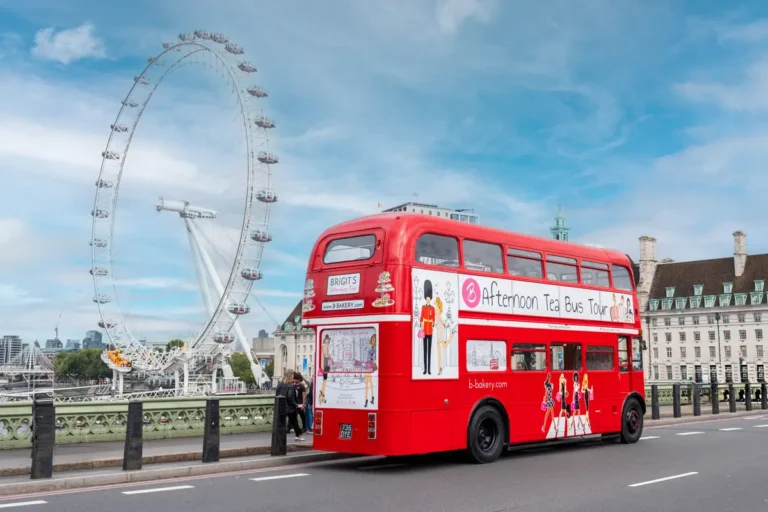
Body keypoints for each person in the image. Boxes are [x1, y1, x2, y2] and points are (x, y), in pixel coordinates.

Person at [275, 369, 304, 441]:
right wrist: (295, 405)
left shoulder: (280, 384)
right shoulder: (291, 385)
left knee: (280, 423)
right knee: (294, 422)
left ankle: (279, 438)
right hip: (290, 407)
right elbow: (290, 397)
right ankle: (298, 436)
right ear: (291, 376)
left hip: (281, 406)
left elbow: (277, 395)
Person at [420, 279, 435, 375]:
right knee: (424, 351)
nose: (428, 300)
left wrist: (432, 324)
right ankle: (425, 369)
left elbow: (433, 319)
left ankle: (429, 370)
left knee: (429, 351)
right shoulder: (423, 307)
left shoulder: (432, 308)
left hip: (430, 330)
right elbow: (421, 317)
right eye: (427, 299)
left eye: (429, 299)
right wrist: (422, 325)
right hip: (425, 330)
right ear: (426, 299)